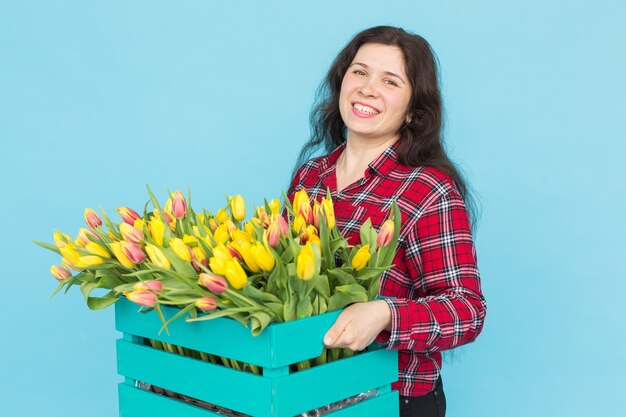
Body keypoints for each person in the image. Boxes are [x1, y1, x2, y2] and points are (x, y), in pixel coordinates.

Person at [286, 26, 487, 417]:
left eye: (390, 81)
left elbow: (466, 310)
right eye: (359, 72)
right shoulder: (310, 177)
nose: (367, 88)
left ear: (413, 109)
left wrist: (384, 314)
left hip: (395, 400)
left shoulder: (428, 190)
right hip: (313, 396)